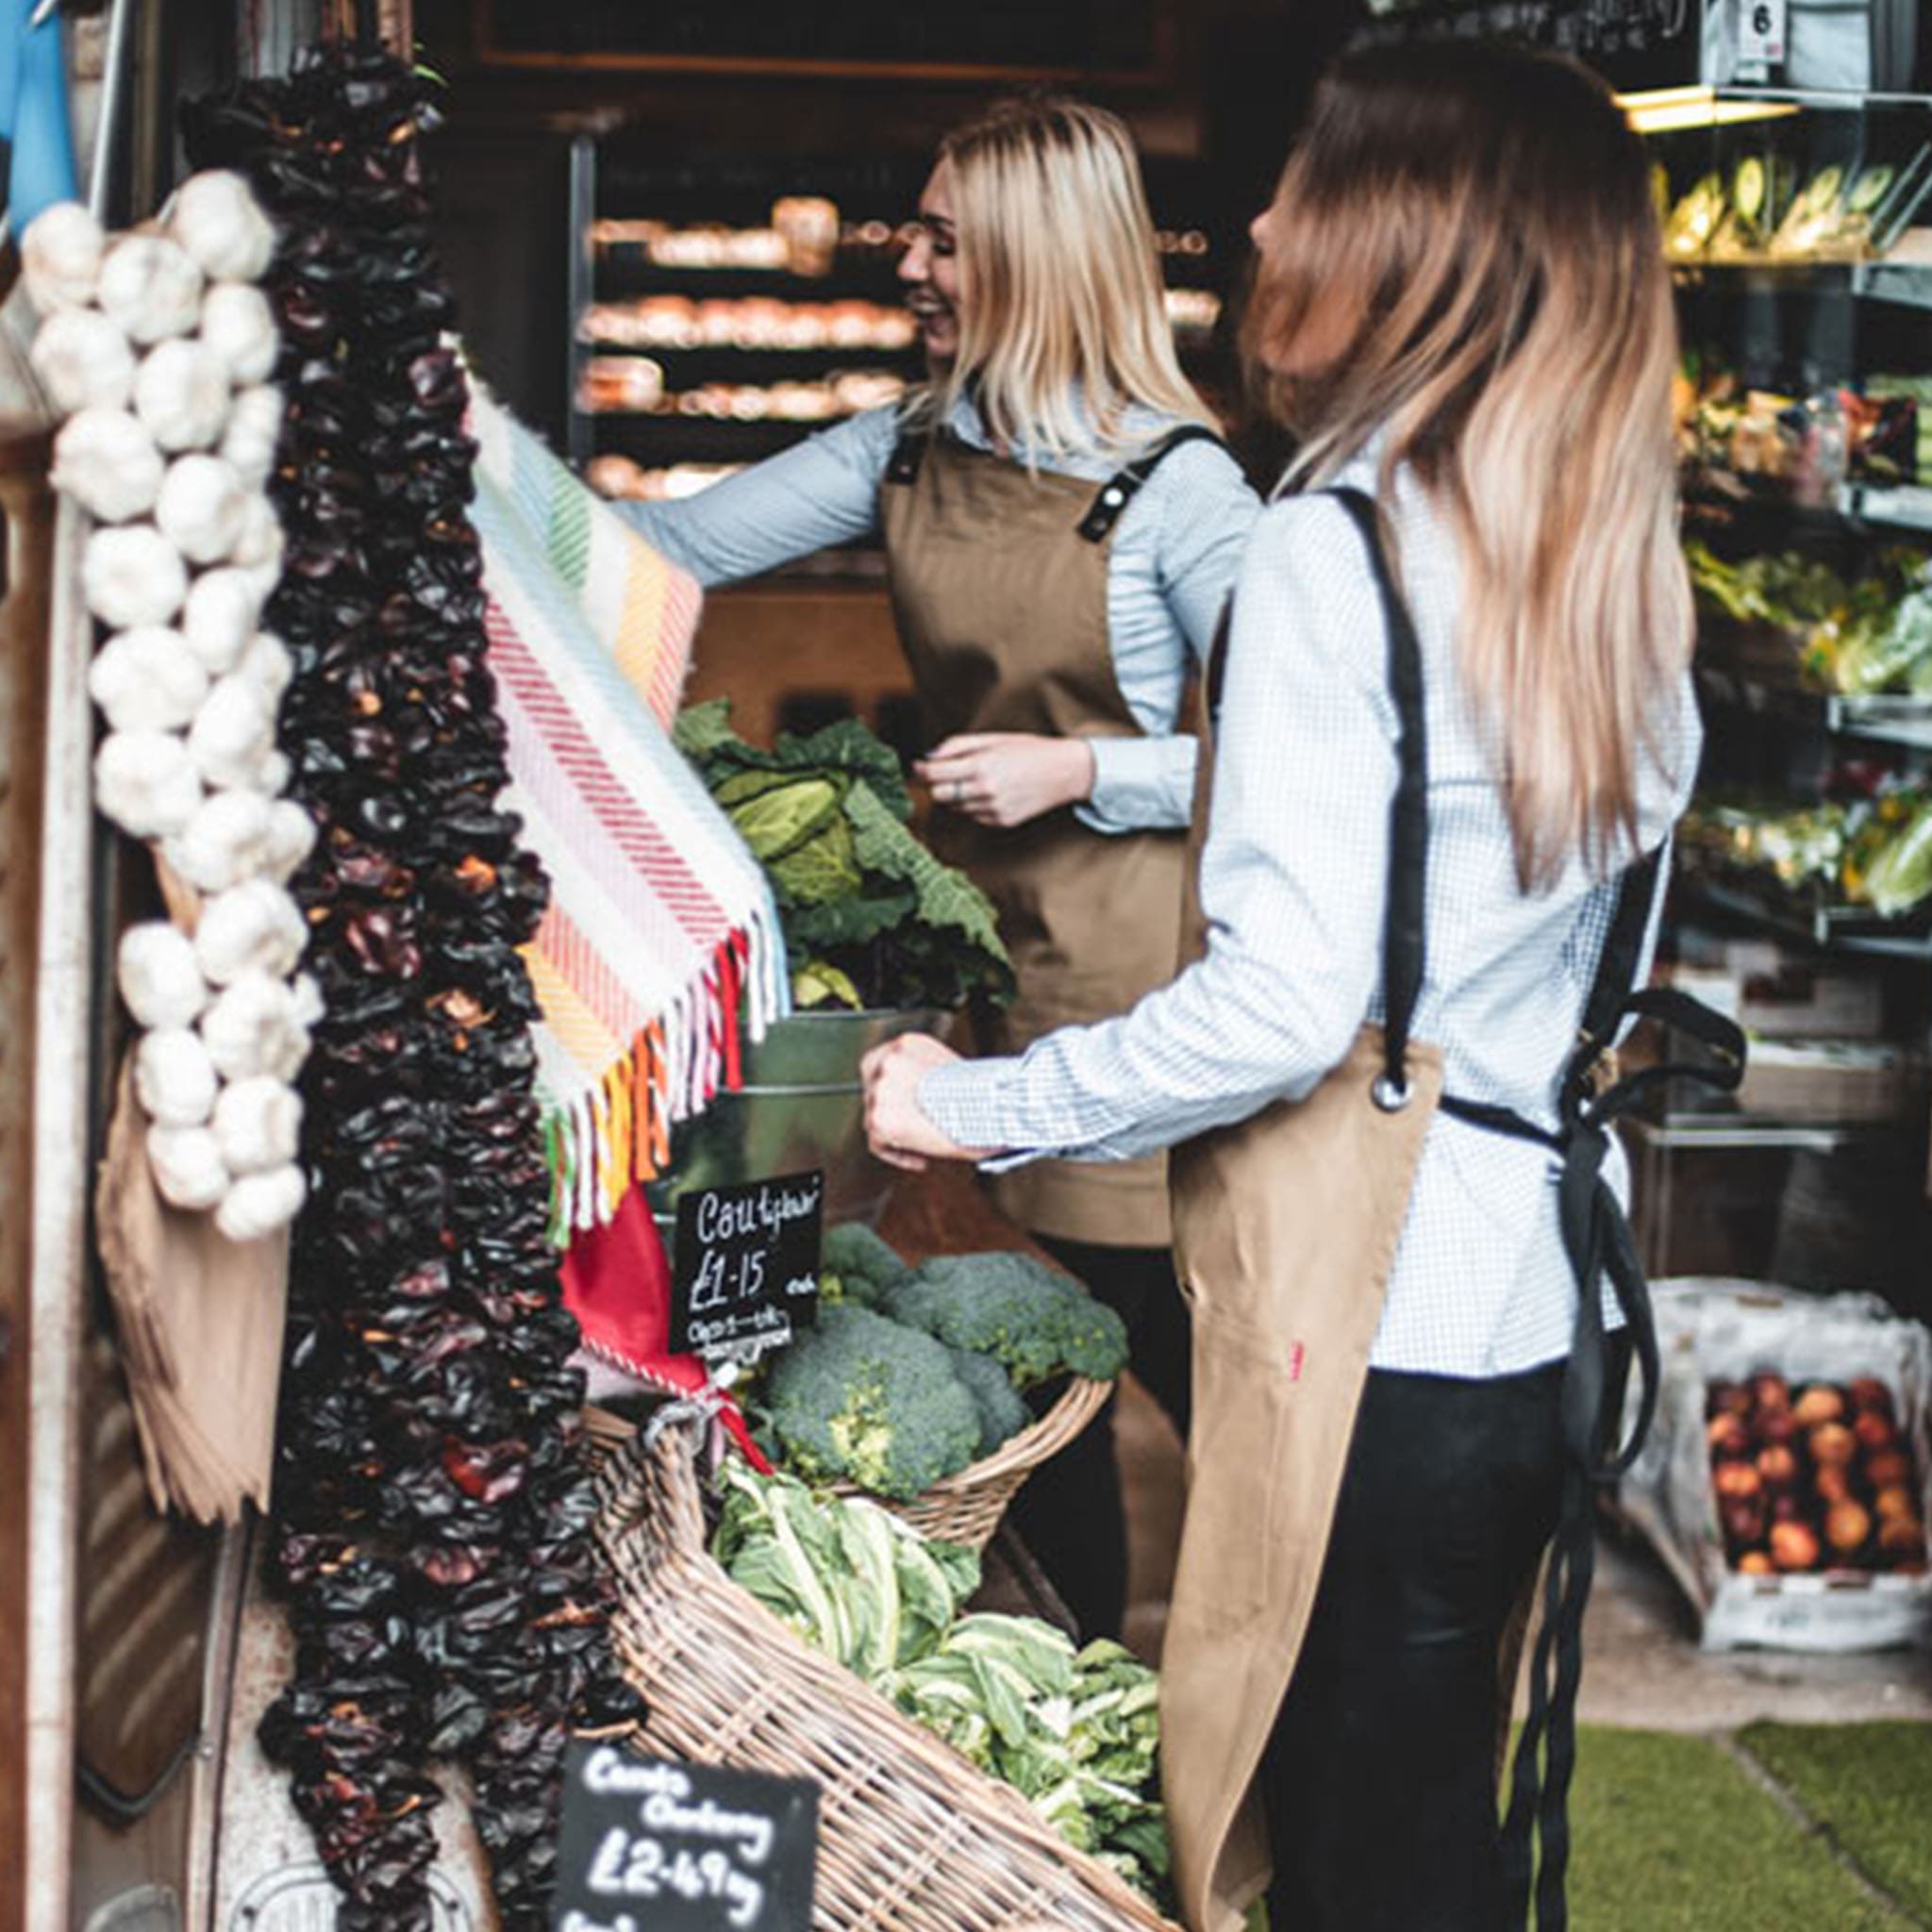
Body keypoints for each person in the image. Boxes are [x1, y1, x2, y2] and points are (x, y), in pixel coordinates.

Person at [861, 42, 1736, 1932]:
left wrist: (967, 1100)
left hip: (1367, 1319)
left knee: (1336, 1830)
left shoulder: (1341, 547)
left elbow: (1277, 1011)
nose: (1258, 221)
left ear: (1403, 239)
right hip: (1533, 1289)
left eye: (1306, 185)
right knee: (1433, 1814)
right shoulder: (1604, 547)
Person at [620, 95, 1259, 1641]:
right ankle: (1074, 1670)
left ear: (1035, 263)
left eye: (945, 240)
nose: (907, 261)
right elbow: (669, 545)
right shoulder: (906, 450)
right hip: (970, 972)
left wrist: (1090, 767)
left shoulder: (1181, 491)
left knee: (1136, 1350)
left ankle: (1289, 1673)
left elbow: (1311, 762)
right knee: (1032, 1370)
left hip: (1134, 976)